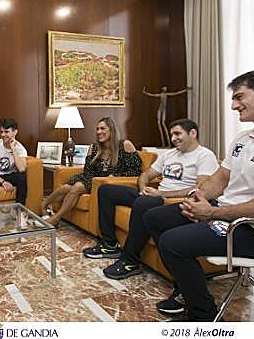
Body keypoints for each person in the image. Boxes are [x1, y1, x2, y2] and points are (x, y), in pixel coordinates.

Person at [143, 69, 254, 321]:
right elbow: (221, 178)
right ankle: (187, 286)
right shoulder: (244, 138)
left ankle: (203, 315)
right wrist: (197, 199)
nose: (233, 105)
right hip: (231, 215)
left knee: (172, 243)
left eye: (239, 97)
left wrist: (212, 212)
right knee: (154, 217)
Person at [82, 118, 218, 284]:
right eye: (172, 135)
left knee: (144, 204)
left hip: (174, 201)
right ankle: (109, 245)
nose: (173, 138)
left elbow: (199, 189)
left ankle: (130, 261)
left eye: (177, 134)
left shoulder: (205, 156)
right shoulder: (170, 154)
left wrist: (161, 193)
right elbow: (145, 175)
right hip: (155, 195)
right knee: (106, 190)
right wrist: (143, 189)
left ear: (193, 133)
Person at [41, 117, 142, 226]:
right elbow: (88, 170)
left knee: (77, 187)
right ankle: (43, 205)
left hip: (107, 183)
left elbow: (136, 171)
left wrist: (116, 176)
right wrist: (89, 180)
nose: (99, 132)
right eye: (97, 129)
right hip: (91, 178)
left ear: (112, 130)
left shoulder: (125, 145)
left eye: (103, 128)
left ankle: (55, 218)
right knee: (65, 188)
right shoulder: (94, 147)